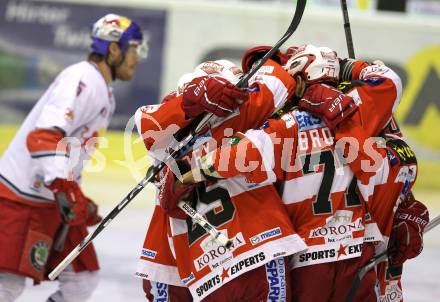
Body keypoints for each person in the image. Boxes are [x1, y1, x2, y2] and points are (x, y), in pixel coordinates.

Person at [180, 44, 410, 301]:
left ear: (301, 77)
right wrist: (347, 68)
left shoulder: (287, 125)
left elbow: (234, 157)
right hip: (358, 249)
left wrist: (186, 173)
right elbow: (391, 80)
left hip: (307, 259)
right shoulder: (360, 109)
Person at [135, 56, 307, 301]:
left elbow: (147, 123)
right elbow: (278, 82)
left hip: (204, 268)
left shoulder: (164, 144)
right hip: (259, 248)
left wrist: (186, 102)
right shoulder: (249, 117)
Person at [0, 13, 146, 302]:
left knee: (82, 279)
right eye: (135, 49)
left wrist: (74, 194)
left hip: (53, 199)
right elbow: (42, 137)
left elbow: (65, 149)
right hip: (23, 197)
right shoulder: (82, 79)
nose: (138, 57)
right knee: (8, 284)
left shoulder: (102, 88)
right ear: (114, 49)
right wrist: (66, 189)